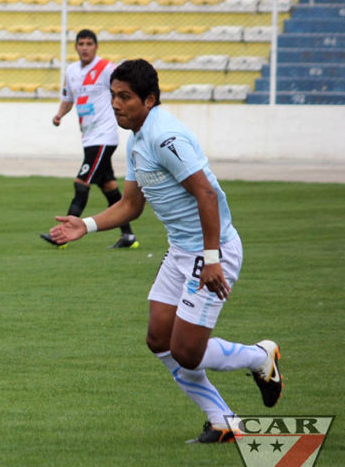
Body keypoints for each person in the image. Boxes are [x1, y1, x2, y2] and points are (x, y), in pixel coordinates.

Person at [49, 59, 283, 444]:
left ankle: (261, 357)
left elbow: (206, 194)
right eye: (113, 96)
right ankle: (223, 421)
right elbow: (130, 205)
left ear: (150, 99)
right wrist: (86, 225)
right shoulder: (138, 138)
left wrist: (211, 259)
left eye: (125, 97)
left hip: (213, 250)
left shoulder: (164, 136)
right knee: (159, 339)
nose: (116, 104)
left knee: (187, 352)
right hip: (181, 252)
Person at [39, 29, 137, 250]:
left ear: (96, 46)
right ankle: (128, 236)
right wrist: (59, 115)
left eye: (89, 43)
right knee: (109, 187)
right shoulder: (72, 71)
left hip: (104, 136)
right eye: (81, 43)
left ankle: (61, 235)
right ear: (76, 47)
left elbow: (127, 83)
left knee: (81, 184)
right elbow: (68, 99)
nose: (84, 47)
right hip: (89, 137)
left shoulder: (106, 68)